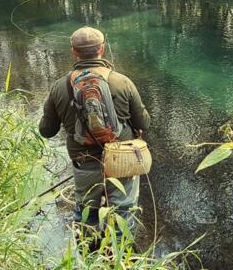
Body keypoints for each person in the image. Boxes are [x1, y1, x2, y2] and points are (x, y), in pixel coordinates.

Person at [39, 26, 150, 239]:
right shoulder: (122, 81)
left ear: (74, 52)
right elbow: (144, 122)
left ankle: (88, 252)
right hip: (122, 160)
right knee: (123, 210)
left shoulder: (59, 87)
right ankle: (118, 254)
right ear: (102, 49)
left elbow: (47, 131)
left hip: (83, 159)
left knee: (86, 210)